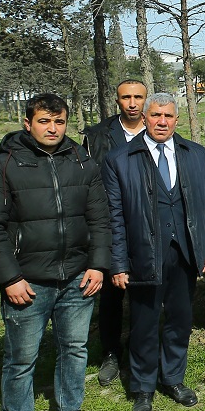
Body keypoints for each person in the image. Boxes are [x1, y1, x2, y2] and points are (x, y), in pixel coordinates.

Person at [0, 93, 112, 411]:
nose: (52, 129)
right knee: (21, 357)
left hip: (78, 278)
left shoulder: (82, 162)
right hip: (28, 281)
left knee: (74, 349)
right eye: (44, 121)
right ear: (27, 123)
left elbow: (100, 218)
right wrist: (9, 278)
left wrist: (97, 264)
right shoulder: (2, 167)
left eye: (59, 121)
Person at [104, 93, 205, 411]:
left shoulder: (195, 154)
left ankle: (173, 378)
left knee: (180, 320)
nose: (162, 121)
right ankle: (143, 387)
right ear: (144, 118)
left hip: (185, 251)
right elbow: (114, 217)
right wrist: (118, 263)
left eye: (168, 116)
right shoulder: (120, 159)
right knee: (143, 323)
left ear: (176, 120)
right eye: (156, 115)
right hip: (143, 254)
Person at [83, 79, 147, 387]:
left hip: (146, 224)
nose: (132, 103)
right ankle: (110, 352)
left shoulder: (157, 128)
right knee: (111, 294)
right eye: (126, 97)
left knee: (143, 293)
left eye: (138, 97)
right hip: (110, 222)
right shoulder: (98, 136)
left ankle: (140, 349)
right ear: (117, 100)